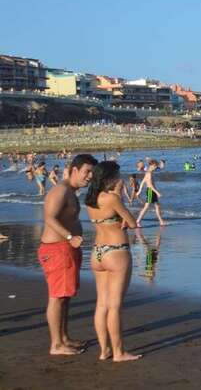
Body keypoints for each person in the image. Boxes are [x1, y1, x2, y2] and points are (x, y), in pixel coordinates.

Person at [38, 154, 97, 355]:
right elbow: (49, 218)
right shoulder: (60, 191)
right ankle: (56, 345)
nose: (89, 176)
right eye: (86, 172)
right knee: (57, 297)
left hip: (65, 249)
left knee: (65, 296)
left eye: (92, 173)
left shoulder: (70, 191)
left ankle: (64, 338)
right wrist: (70, 236)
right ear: (74, 170)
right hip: (57, 249)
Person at [84, 161, 141, 362]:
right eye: (118, 175)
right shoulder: (112, 198)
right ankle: (119, 352)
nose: (120, 178)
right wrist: (118, 194)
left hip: (97, 252)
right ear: (110, 178)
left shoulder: (91, 199)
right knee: (115, 306)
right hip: (116, 251)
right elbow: (132, 223)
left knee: (102, 304)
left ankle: (104, 350)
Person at [136, 160, 166, 226]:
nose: (155, 167)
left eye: (156, 166)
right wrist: (157, 192)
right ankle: (138, 221)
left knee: (157, 206)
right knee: (146, 207)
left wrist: (140, 190)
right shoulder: (149, 173)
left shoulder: (148, 172)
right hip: (150, 191)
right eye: (154, 166)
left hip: (152, 191)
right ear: (151, 166)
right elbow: (150, 185)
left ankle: (161, 221)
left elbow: (143, 181)